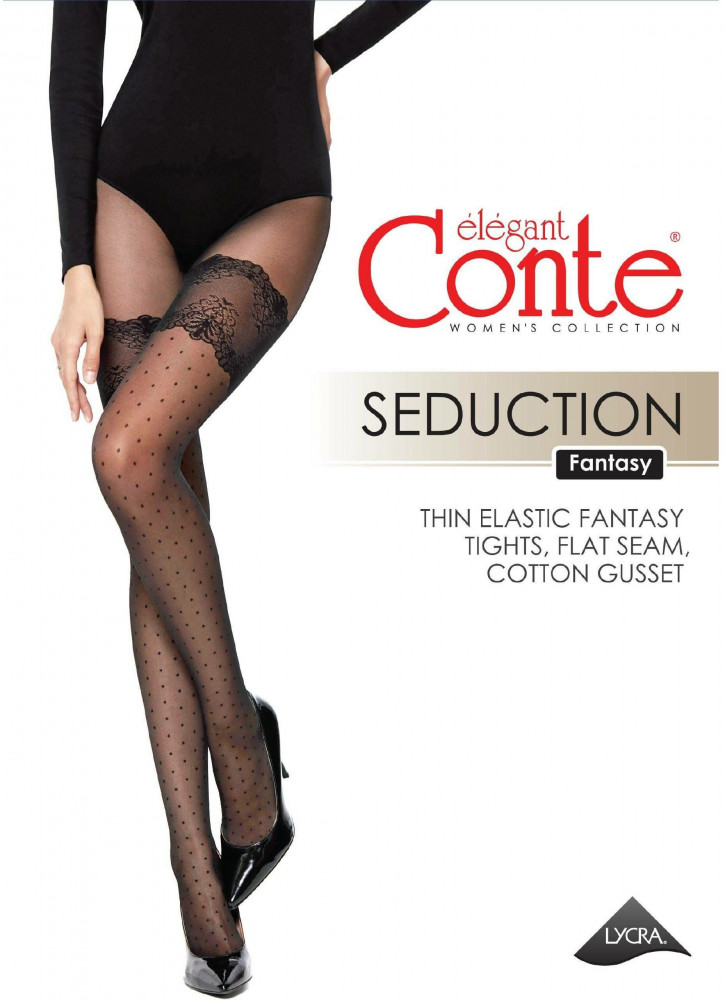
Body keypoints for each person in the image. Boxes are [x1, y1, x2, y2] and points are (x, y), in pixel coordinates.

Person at [48, 1, 430, 995]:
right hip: (132, 187)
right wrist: (75, 267)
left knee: (129, 457)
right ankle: (200, 864)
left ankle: (242, 755)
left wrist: (326, 53)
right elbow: (75, 64)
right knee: (148, 489)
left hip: (276, 184)